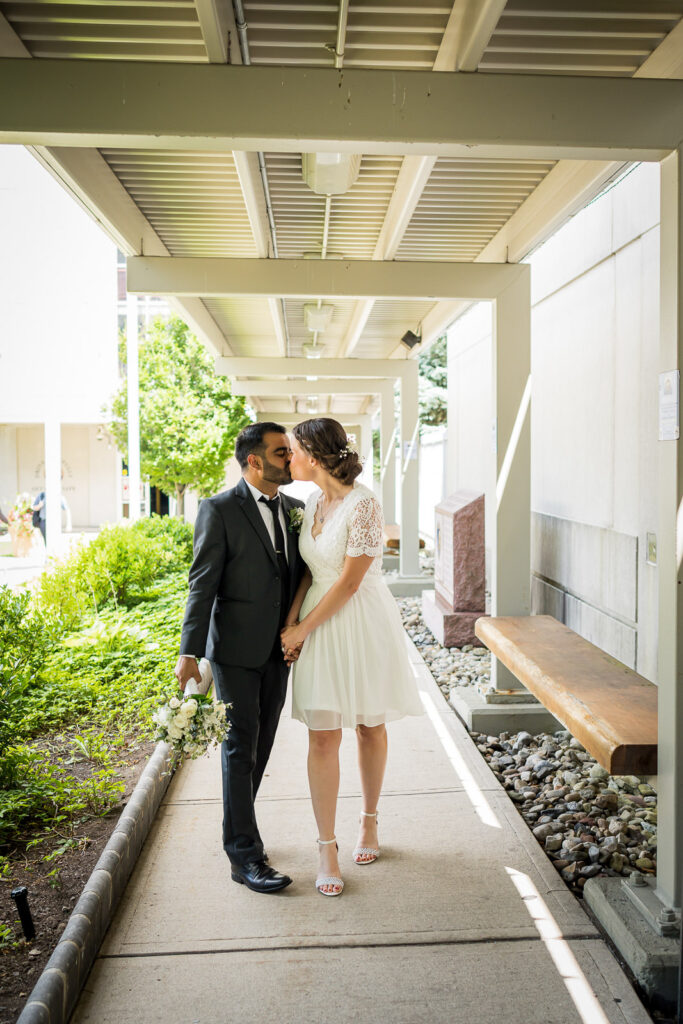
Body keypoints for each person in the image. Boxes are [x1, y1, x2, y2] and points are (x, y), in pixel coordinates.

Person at [281, 418, 423, 897]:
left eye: (292, 451)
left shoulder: (364, 504)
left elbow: (348, 581)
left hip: (358, 621)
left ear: (314, 457)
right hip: (318, 623)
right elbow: (311, 569)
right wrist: (293, 622)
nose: (288, 459)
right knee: (322, 736)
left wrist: (304, 625)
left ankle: (369, 819)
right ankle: (326, 846)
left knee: (368, 725)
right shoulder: (312, 502)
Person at [175, 423, 306, 894]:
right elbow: (202, 582)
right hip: (232, 651)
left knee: (263, 743)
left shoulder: (296, 509)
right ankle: (245, 856)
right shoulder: (218, 509)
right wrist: (189, 651)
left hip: (280, 649)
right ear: (254, 461)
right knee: (240, 745)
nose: (290, 459)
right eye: (280, 452)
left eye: (289, 452)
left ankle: (237, 825)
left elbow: (301, 577)